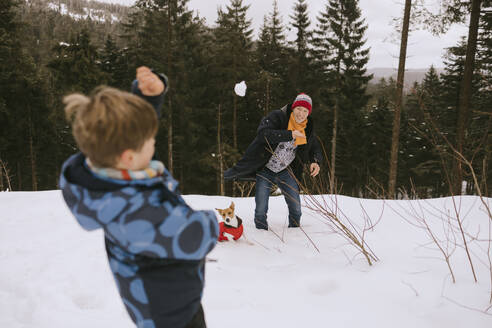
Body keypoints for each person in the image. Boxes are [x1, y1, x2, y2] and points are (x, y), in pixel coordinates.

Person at [59, 67, 218, 328]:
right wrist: (212, 222)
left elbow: (127, 134)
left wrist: (149, 100)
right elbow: (193, 237)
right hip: (168, 314)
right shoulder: (134, 214)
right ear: (128, 157)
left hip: (168, 292)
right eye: (151, 140)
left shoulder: (109, 176)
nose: (153, 143)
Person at [224, 93, 322, 230]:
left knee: (296, 208)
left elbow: (314, 146)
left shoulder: (307, 127)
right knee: (261, 209)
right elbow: (263, 134)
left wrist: (315, 161)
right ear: (293, 108)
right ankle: (261, 231)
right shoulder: (278, 117)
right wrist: (290, 134)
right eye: (299, 109)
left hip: (286, 171)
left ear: (308, 113)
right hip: (265, 169)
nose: (301, 113)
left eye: (305, 111)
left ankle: (295, 232)